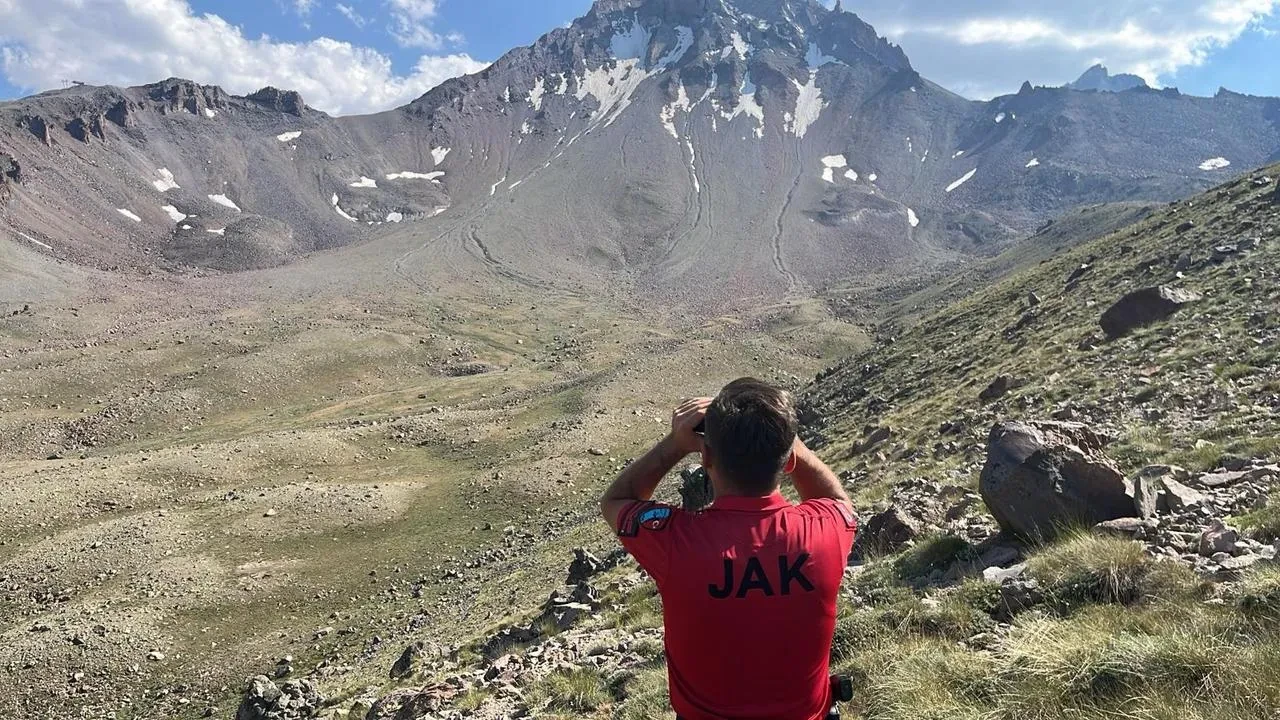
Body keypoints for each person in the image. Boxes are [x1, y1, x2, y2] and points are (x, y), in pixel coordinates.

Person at [600, 378, 857, 720]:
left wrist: (676, 445)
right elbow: (836, 501)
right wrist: (790, 446)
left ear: (706, 456)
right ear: (788, 460)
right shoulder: (824, 533)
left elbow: (617, 500)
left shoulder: (676, 543)